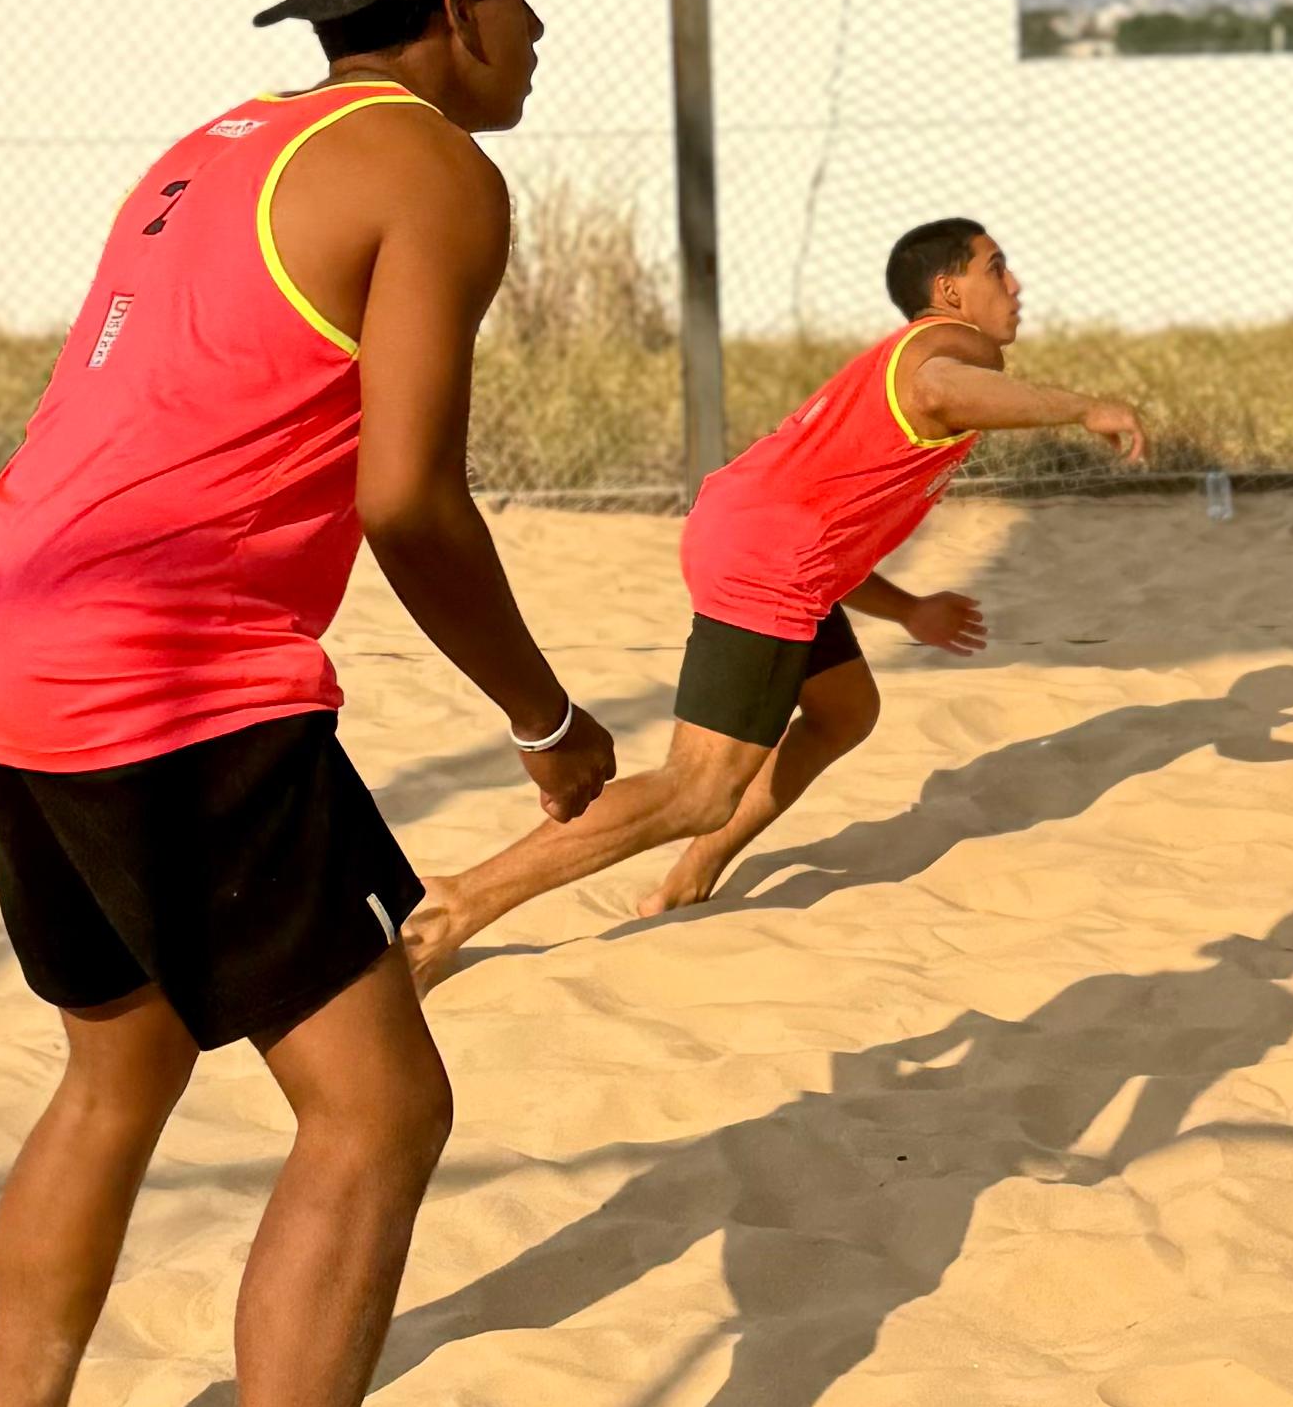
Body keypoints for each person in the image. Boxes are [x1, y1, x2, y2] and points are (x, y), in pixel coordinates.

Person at [0, 0, 615, 1407]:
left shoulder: (214, 138)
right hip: (157, 674)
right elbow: (409, 503)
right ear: (461, 6)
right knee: (382, 1107)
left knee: (117, 1064)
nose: (542, 30)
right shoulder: (438, 172)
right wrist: (550, 721)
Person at [405, 219, 1148, 966]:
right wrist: (1082, 407)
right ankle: (458, 902)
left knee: (846, 708)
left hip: (762, 538)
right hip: (765, 559)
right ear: (948, 291)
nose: (1014, 285)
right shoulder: (948, 353)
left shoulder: (896, 367)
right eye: (997, 267)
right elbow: (940, 387)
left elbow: (830, 527)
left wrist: (910, 610)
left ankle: (692, 872)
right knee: (695, 788)